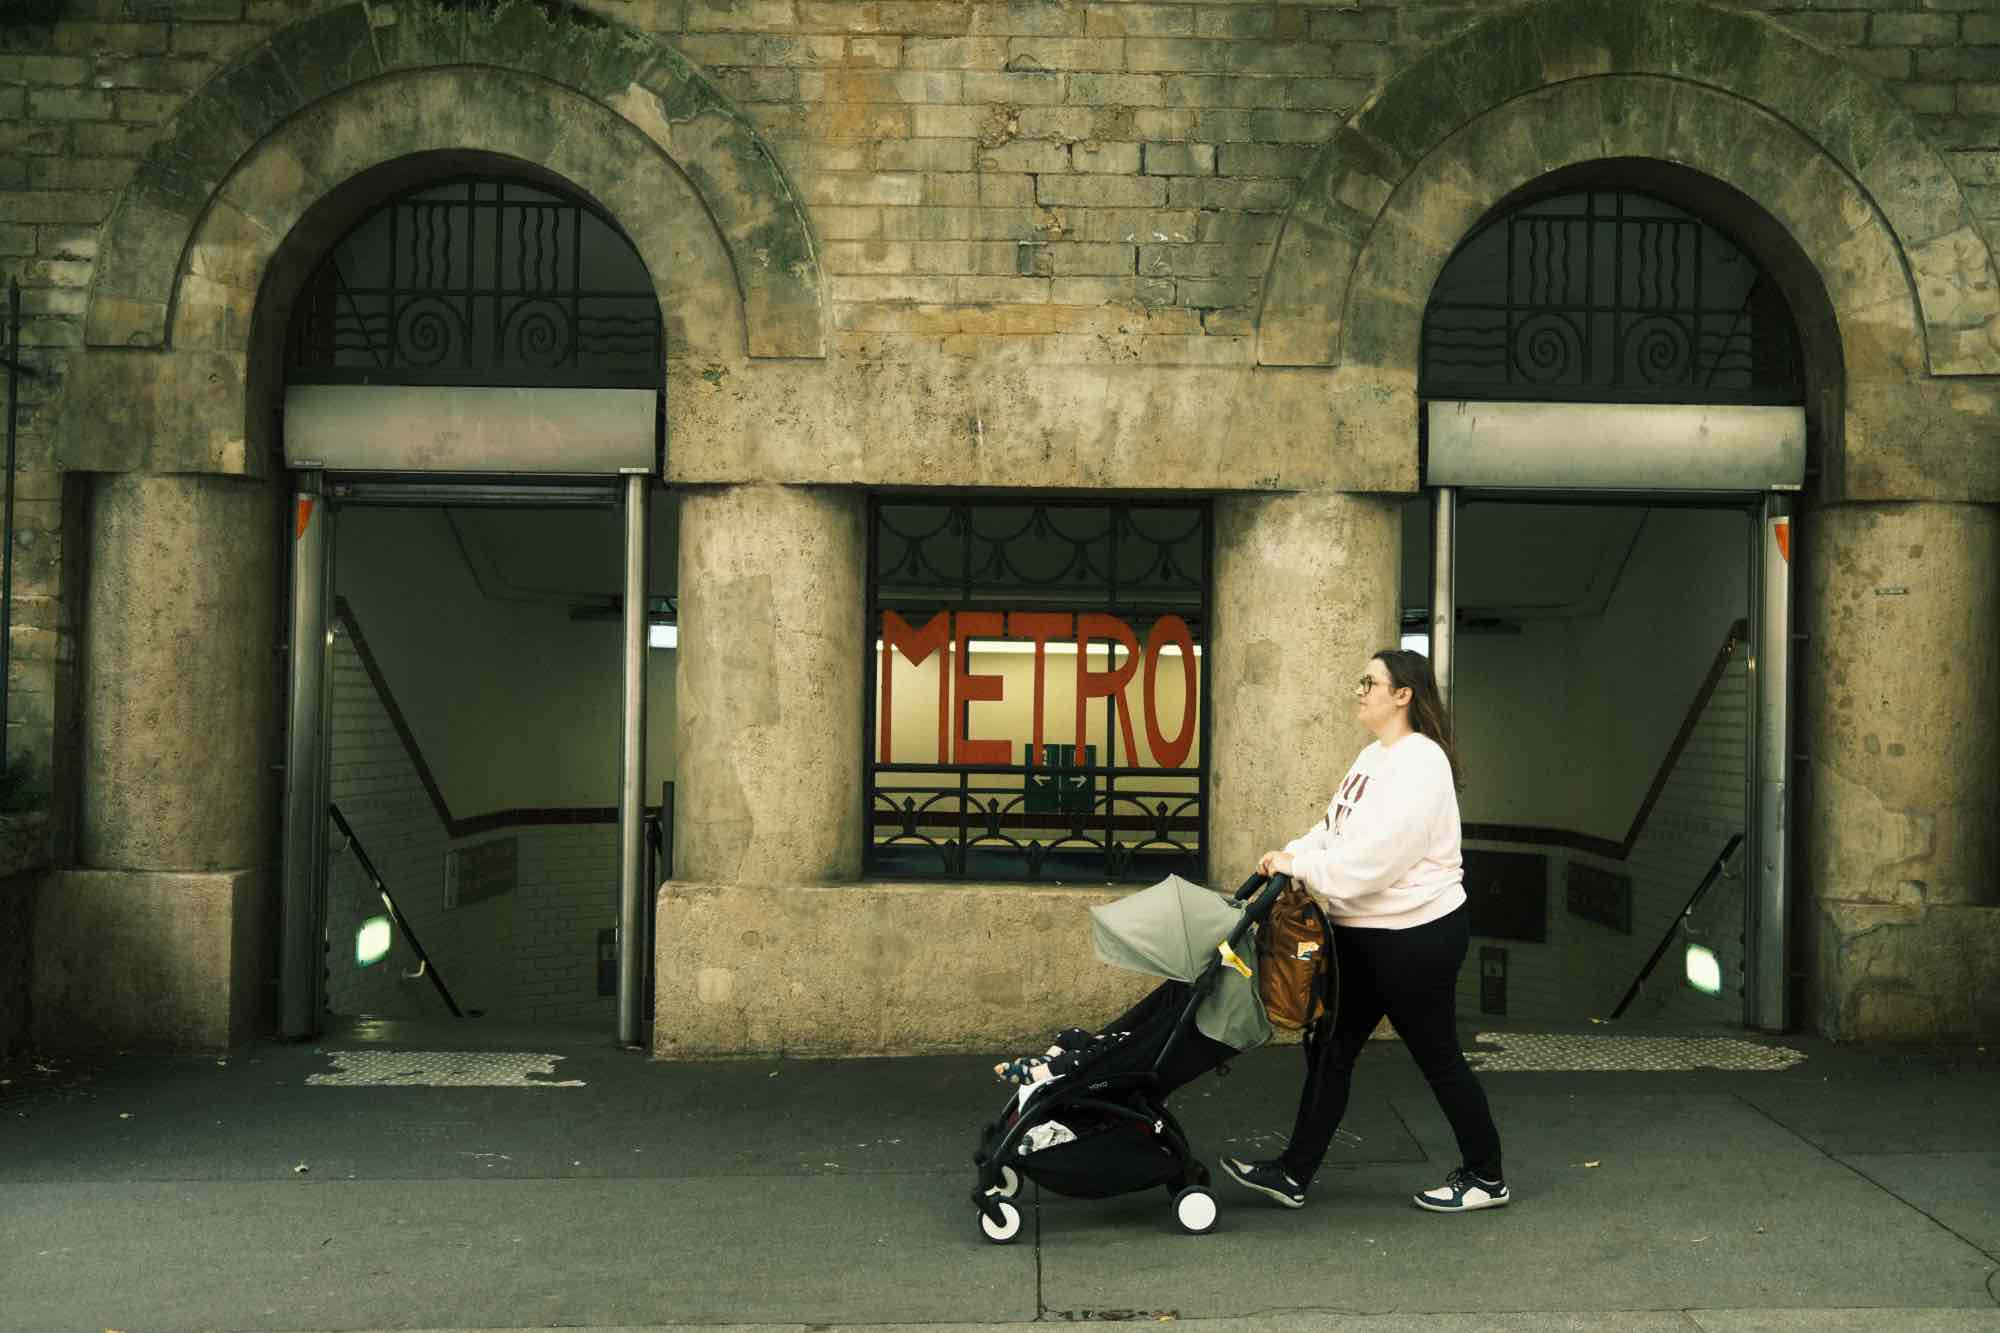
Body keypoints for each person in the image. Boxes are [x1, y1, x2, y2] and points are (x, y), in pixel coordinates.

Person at [1221, 648, 1508, 1214]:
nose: (1359, 690)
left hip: (1415, 937)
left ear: (1403, 695)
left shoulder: (1421, 763)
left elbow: (1375, 863)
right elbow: (1334, 828)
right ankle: (1293, 1173)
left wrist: (1302, 867)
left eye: (1370, 682)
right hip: (1363, 933)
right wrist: (1291, 853)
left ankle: (1486, 1176)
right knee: (1330, 1051)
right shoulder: (1374, 756)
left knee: (1438, 1057)